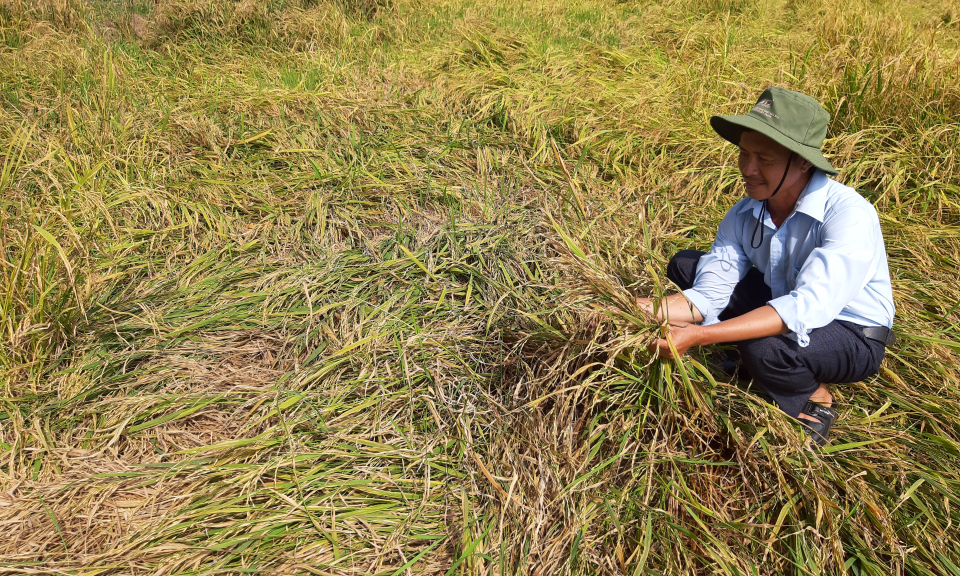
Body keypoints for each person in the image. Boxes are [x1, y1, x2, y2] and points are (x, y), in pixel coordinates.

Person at [630, 87, 895, 445]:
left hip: (852, 332)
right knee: (687, 266)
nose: (748, 169)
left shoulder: (848, 214)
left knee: (763, 348)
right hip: (783, 299)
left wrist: (700, 335)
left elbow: (806, 306)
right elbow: (710, 292)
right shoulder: (745, 213)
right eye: (744, 153)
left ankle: (815, 395)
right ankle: (739, 347)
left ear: (803, 162)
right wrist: (634, 309)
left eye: (764, 159)